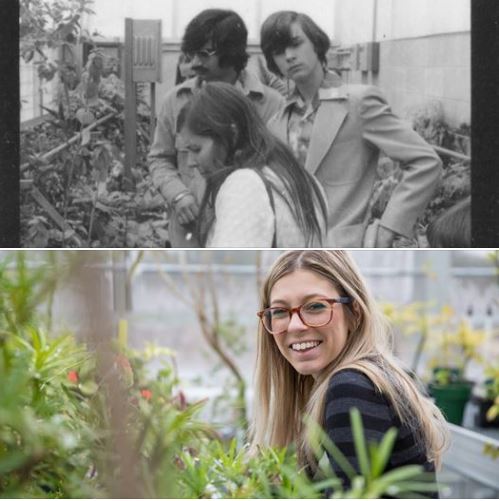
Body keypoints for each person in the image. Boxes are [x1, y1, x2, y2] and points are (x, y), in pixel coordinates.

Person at [251, 250, 450, 493]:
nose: (295, 325)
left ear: (354, 313)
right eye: (280, 311)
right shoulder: (365, 378)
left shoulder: (352, 387)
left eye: (315, 306)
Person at [260, 12, 443, 248]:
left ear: (316, 43)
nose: (289, 56)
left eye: (295, 44)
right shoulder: (276, 122)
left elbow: (426, 162)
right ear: (272, 61)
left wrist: (390, 227)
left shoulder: (359, 102)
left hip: (346, 249)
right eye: (278, 51)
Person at [148, 9, 285, 247]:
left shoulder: (270, 104)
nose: (195, 63)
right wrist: (178, 194)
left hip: (249, 230)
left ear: (231, 52)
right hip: (190, 232)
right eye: (192, 54)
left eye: (204, 54)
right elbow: (159, 159)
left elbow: (280, 170)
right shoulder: (176, 100)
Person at [179, 82, 327, 247]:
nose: (190, 162)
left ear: (232, 134)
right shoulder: (304, 179)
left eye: (196, 149)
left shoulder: (244, 185)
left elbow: (229, 268)